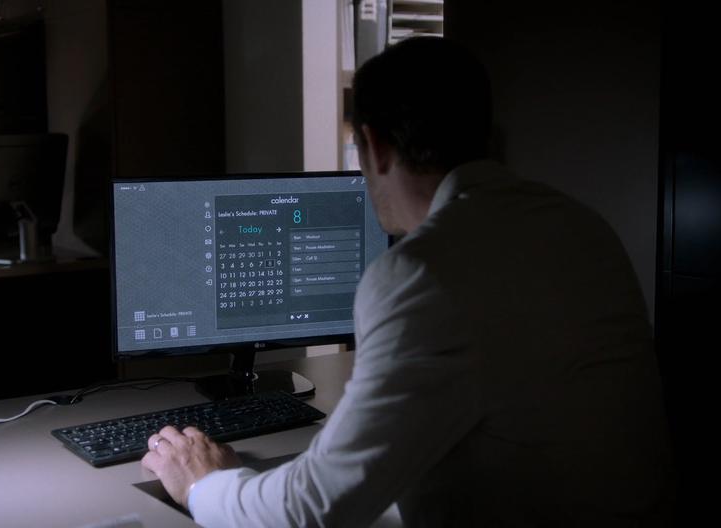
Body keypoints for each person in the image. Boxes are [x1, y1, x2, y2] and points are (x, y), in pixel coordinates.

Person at [141, 37, 672, 527]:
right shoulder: (582, 227)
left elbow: (312, 510)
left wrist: (203, 484)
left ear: (374, 146)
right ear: (488, 134)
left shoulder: (422, 271)